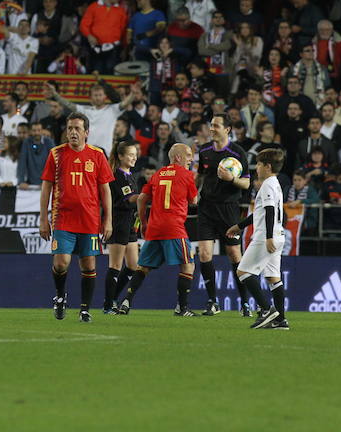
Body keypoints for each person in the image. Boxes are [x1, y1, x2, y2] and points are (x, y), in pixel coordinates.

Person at [39, 112, 113, 322]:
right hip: (63, 218)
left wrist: (108, 220)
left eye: (77, 129)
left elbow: (105, 190)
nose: (72, 132)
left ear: (86, 133)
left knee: (88, 265)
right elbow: (46, 188)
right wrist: (43, 218)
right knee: (61, 262)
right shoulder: (55, 154)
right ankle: (60, 296)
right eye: (70, 128)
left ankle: (84, 309)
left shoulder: (98, 155)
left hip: (90, 220)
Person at [117, 143, 198, 316]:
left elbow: (141, 199)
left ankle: (126, 302)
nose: (191, 159)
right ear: (178, 157)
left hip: (154, 228)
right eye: (189, 155)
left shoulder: (157, 174)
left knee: (143, 267)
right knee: (188, 266)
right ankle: (182, 308)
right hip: (174, 227)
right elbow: (194, 201)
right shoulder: (186, 174)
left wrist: (144, 222)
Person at [225, 148, 289, 329]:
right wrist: (239, 226)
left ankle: (268, 310)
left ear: (267, 166)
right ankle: (280, 320)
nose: (257, 168)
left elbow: (269, 211)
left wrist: (268, 237)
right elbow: (261, 212)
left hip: (265, 237)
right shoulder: (274, 183)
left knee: (243, 272)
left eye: (259, 164)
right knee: (273, 278)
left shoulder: (267, 184)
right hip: (278, 235)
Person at [196, 113, 252, 316]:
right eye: (211, 125)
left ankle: (245, 303)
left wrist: (231, 179)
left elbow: (246, 183)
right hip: (207, 208)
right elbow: (201, 175)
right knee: (204, 254)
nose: (212, 129)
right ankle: (212, 301)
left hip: (228, 209)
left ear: (227, 129)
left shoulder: (237, 153)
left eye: (216, 125)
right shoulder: (204, 151)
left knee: (234, 255)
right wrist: (194, 191)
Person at [103, 141, 140, 313]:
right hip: (118, 223)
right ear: (120, 156)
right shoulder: (116, 176)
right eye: (131, 154)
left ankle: (113, 299)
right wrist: (149, 195)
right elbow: (131, 199)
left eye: (135, 154)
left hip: (131, 224)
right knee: (115, 265)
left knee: (133, 265)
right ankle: (108, 304)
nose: (134, 157)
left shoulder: (130, 175)